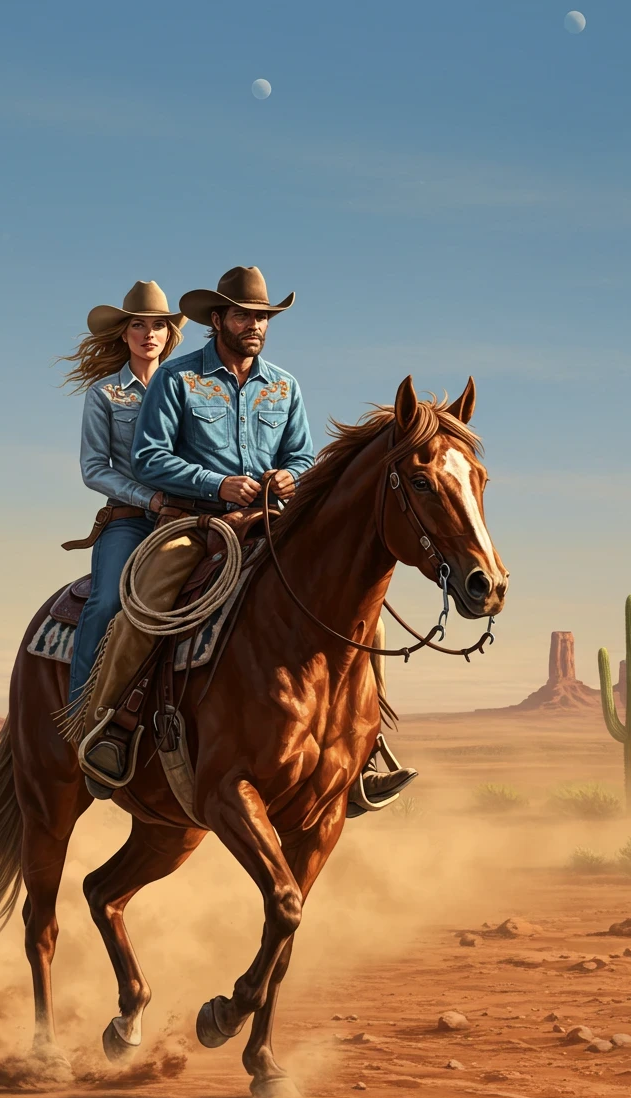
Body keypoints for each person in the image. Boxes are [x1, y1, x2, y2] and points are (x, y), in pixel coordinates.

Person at [79, 266, 417, 813]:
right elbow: (148, 458)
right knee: (146, 600)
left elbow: (303, 456)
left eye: (263, 317)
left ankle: (365, 745)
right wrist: (218, 483)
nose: (256, 325)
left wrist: (290, 476)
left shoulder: (285, 386)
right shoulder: (179, 380)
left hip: (272, 520)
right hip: (196, 522)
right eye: (245, 315)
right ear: (219, 320)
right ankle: (112, 727)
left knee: (361, 608)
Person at [59, 280, 185, 713]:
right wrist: (147, 499)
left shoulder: (189, 391)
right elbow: (94, 468)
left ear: (169, 334)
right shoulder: (105, 395)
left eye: (158, 325)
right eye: (138, 325)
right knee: (108, 600)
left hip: (191, 517)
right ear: (124, 333)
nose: (149, 333)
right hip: (130, 519)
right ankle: (81, 712)